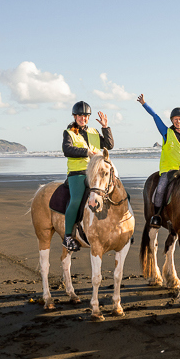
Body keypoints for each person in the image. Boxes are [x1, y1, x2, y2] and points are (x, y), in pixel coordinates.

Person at [61, 101, 114, 252]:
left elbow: (109, 145)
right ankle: (68, 236)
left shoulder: (94, 132)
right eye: (80, 116)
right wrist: (86, 152)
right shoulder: (69, 133)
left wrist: (105, 128)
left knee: (116, 192)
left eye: (85, 116)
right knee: (76, 200)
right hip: (78, 173)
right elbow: (67, 150)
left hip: (96, 172)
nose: (83, 118)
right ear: (74, 116)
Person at [138, 93, 180, 227]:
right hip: (168, 170)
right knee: (161, 189)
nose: (178, 121)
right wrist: (144, 104)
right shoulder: (166, 132)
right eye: (175, 119)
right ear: (172, 120)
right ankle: (157, 215)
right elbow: (155, 116)